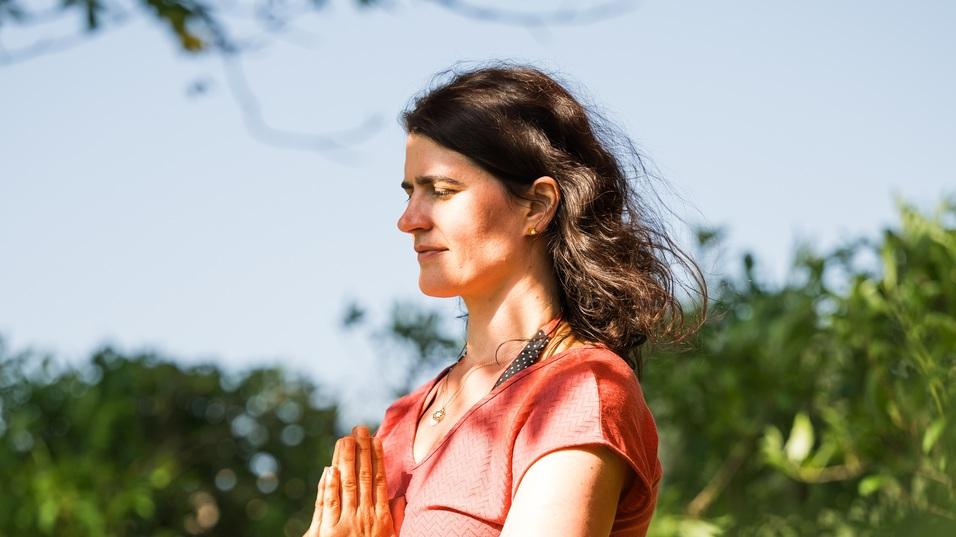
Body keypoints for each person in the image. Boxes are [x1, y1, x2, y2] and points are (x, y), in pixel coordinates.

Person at [303, 64, 706, 537]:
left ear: (536, 206)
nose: (409, 219)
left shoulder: (578, 393)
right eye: (410, 191)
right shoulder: (400, 421)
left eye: (442, 190)